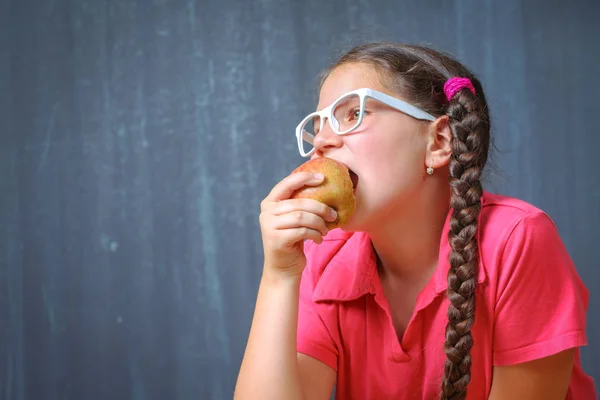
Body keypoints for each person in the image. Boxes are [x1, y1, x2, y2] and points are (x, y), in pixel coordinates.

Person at [234, 42, 597, 399]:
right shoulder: (321, 256)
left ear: (438, 141)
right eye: (319, 124)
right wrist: (279, 276)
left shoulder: (517, 240)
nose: (323, 141)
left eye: (353, 114)